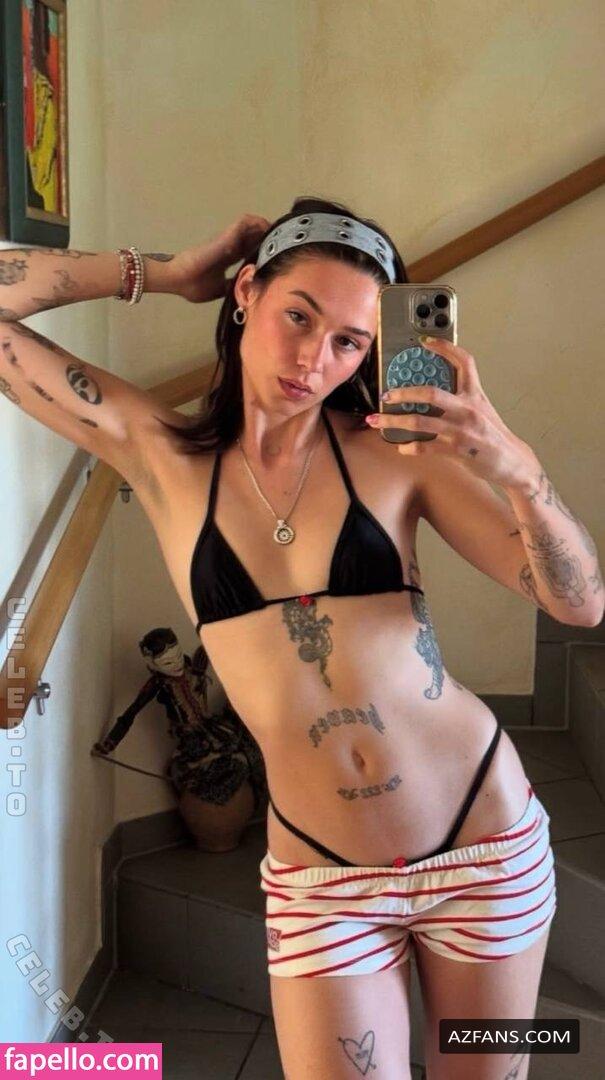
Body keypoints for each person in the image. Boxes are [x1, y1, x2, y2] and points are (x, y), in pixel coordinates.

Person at [1, 196, 602, 1080]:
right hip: (324, 885)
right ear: (245, 292)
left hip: (482, 847)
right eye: (298, 317)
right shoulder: (161, 456)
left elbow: (579, 604)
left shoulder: (397, 452)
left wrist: (517, 469)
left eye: (349, 342)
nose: (315, 359)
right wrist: (162, 274)